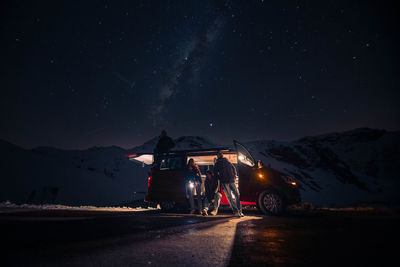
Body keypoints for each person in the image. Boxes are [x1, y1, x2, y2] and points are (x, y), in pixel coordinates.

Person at [213, 151, 244, 217]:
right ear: (218, 156)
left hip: (231, 180)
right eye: (220, 154)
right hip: (225, 181)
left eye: (221, 154)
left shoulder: (227, 161)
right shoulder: (217, 163)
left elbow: (233, 168)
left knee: (237, 195)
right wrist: (220, 178)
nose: (221, 155)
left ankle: (239, 211)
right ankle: (236, 211)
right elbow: (215, 174)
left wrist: (234, 176)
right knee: (230, 196)